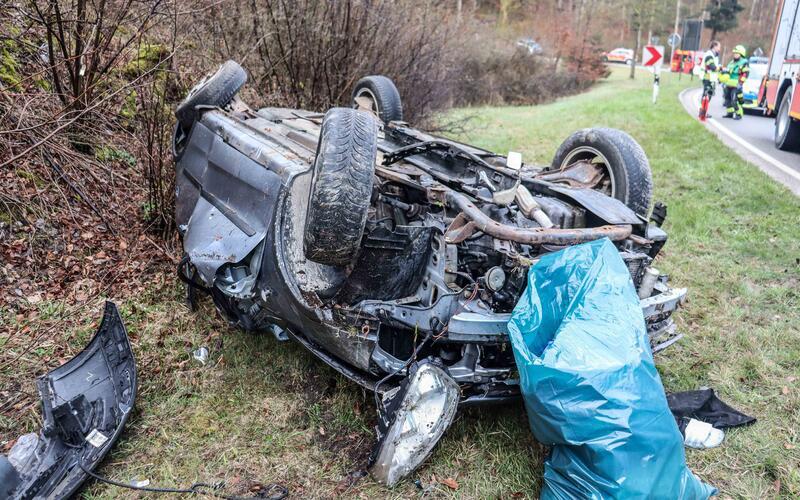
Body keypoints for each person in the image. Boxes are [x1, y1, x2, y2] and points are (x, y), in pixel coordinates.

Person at [721, 45, 750, 120]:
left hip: (736, 85)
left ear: (741, 54)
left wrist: (740, 83)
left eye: (737, 53)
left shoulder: (744, 63)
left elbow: (745, 74)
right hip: (728, 84)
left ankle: (738, 114)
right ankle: (730, 113)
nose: (735, 55)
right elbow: (727, 72)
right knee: (727, 99)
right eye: (734, 53)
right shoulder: (731, 63)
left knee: (734, 100)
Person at [699, 41, 721, 119]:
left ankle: (704, 112)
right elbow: (712, 66)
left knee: (708, 96)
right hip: (707, 78)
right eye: (719, 46)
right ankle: (702, 112)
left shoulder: (715, 56)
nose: (719, 49)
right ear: (714, 46)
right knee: (706, 95)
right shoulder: (709, 55)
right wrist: (719, 68)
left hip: (711, 78)